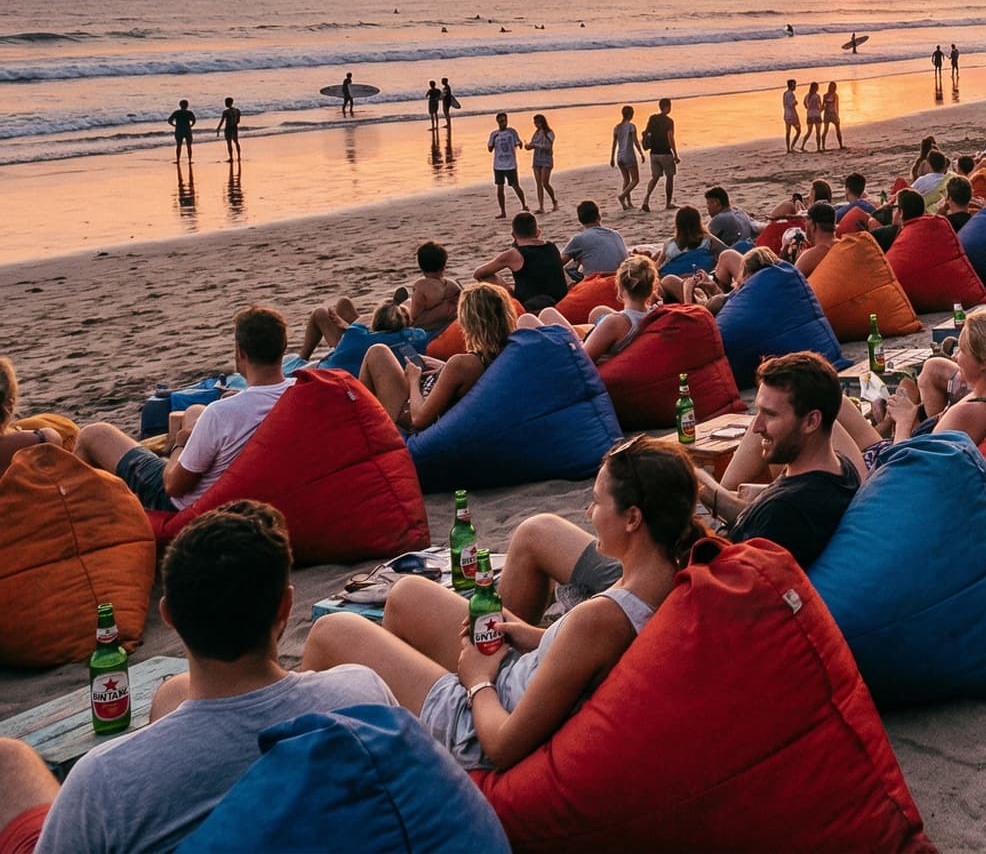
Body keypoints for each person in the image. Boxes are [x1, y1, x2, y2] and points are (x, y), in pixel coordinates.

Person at [0, 503, 397, 854]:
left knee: (9, 758)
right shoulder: (363, 694)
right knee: (174, 692)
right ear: (286, 606)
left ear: (169, 615)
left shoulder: (104, 781)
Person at [300, 436, 701, 773]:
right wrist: (535, 637)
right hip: (521, 675)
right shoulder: (669, 576)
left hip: (478, 726)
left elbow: (503, 746)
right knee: (408, 594)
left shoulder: (600, 618)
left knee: (331, 632)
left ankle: (308, 773)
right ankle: (399, 720)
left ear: (633, 518)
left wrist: (476, 679)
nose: (588, 512)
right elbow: (590, 656)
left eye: (596, 502)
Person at [75, 308, 294, 514]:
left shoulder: (221, 414)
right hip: (258, 489)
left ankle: (86, 518)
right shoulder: (299, 391)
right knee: (195, 411)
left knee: (94, 434)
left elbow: (173, 487)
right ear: (283, 347)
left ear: (241, 352)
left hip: (186, 506)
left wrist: (180, 444)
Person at [693, 352, 859, 568]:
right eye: (758, 412)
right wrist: (697, 481)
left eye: (770, 415)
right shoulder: (841, 469)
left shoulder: (786, 512)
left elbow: (732, 589)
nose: (756, 427)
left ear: (811, 421)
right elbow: (756, 518)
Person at [361, 281, 517, 433]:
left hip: (412, 419)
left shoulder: (462, 365)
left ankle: (358, 425)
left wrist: (414, 380)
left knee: (378, 353)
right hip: (438, 397)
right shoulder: (511, 351)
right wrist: (444, 368)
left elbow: (418, 420)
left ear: (469, 321)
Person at [901, 308, 986, 443]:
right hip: (920, 442)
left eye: (961, 350)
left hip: (897, 455)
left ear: (985, 361)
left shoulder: (967, 413)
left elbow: (910, 462)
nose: (954, 357)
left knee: (903, 390)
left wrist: (903, 421)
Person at [474, 210, 568, 312]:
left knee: (487, 276)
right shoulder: (552, 246)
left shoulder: (514, 254)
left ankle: (509, 294)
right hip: (560, 301)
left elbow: (478, 273)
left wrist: (506, 287)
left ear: (513, 235)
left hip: (530, 305)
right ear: (538, 233)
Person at [485, 111, 528, 218]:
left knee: (515, 186)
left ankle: (524, 205)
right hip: (498, 165)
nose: (502, 123)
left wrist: (521, 144)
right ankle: (503, 211)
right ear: (497, 122)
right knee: (500, 188)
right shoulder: (494, 134)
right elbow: (490, 149)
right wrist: (494, 141)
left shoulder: (512, 132)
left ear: (507, 121)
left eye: (504, 121)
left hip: (510, 165)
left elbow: (518, 143)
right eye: (500, 121)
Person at [641, 97, 678, 210]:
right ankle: (668, 203)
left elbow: (646, 133)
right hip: (665, 153)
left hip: (654, 153)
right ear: (667, 107)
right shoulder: (669, 121)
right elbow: (670, 137)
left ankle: (646, 199)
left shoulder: (652, 118)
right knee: (670, 177)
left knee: (655, 177)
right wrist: (675, 154)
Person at [609, 106, 643, 211]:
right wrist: (641, 153)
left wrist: (612, 157)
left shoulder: (616, 127)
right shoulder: (631, 126)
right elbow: (635, 141)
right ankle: (622, 196)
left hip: (619, 156)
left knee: (626, 180)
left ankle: (628, 203)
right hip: (629, 155)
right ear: (630, 114)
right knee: (635, 180)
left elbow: (614, 144)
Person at [527, 113, 558, 211]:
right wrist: (529, 146)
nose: (536, 125)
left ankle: (554, 201)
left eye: (538, 122)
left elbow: (548, 147)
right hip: (537, 159)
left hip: (546, 159)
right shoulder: (536, 133)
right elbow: (533, 143)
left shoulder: (549, 133)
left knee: (545, 182)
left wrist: (536, 145)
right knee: (538, 183)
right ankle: (541, 206)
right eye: (535, 123)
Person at [214, 96, 242, 160]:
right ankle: (239, 157)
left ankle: (231, 157)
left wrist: (218, 128)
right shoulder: (237, 110)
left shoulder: (225, 112)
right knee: (236, 142)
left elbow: (222, 121)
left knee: (229, 143)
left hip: (228, 128)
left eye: (226, 102)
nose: (225, 103)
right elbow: (238, 121)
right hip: (234, 127)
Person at [821, 81, 845, 150]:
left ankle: (841, 145)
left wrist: (837, 115)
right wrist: (819, 111)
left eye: (833, 87)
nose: (832, 88)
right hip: (827, 114)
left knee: (838, 130)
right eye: (831, 86)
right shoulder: (825, 95)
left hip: (834, 114)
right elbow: (823, 105)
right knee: (825, 130)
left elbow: (836, 106)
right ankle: (823, 146)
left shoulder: (835, 95)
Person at [782, 78, 802, 153]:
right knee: (798, 130)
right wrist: (796, 102)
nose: (795, 86)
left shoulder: (785, 93)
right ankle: (792, 146)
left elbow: (785, 104)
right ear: (791, 86)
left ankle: (788, 148)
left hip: (786, 114)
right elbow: (791, 104)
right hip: (792, 115)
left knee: (788, 132)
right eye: (794, 85)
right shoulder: (791, 94)